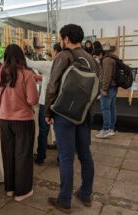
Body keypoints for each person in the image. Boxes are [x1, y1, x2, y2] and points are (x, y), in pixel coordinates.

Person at [45, 24, 100, 213]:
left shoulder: (63, 56)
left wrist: (48, 112)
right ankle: (85, 194)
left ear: (66, 39)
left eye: (61, 38)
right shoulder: (91, 59)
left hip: (64, 114)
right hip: (83, 115)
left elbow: (52, 86)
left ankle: (65, 200)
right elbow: (96, 90)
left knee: (66, 158)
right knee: (85, 155)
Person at [0, 44, 39, 202]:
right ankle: (22, 191)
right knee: (23, 155)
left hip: (5, 119)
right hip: (23, 120)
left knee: (8, 154)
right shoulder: (27, 74)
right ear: (21, 56)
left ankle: (10, 189)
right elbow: (32, 99)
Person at [26, 42, 62, 165]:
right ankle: (60, 159)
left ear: (55, 52)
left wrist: (20, 52)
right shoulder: (66, 65)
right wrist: (41, 77)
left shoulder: (48, 64)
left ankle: (41, 157)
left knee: (43, 131)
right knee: (60, 131)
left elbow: (29, 63)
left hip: (45, 103)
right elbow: (51, 78)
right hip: (60, 104)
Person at [93, 42, 117, 138]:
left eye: (96, 56)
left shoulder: (106, 60)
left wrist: (104, 89)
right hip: (113, 87)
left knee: (105, 108)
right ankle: (111, 129)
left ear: (99, 54)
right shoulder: (111, 58)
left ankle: (106, 129)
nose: (97, 59)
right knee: (111, 108)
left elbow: (106, 76)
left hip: (108, 88)